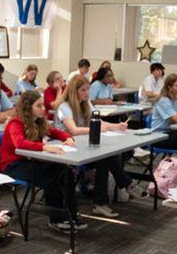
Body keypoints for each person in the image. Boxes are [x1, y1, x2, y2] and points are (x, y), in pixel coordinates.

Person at [0, 91, 81, 232]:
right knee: (50, 178)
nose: (44, 108)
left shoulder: (39, 121)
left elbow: (55, 131)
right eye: (39, 106)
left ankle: (71, 214)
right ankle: (56, 219)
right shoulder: (15, 122)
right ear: (28, 108)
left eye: (43, 105)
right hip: (13, 165)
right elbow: (20, 143)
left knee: (65, 171)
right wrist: (45, 147)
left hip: (31, 161)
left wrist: (67, 138)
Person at [57, 75, 132, 218]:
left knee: (106, 157)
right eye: (83, 90)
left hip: (82, 147)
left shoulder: (86, 104)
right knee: (105, 158)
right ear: (74, 91)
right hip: (66, 150)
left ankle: (102, 202)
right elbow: (73, 130)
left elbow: (99, 122)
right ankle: (125, 184)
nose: (87, 93)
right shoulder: (64, 107)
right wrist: (96, 129)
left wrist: (117, 126)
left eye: (88, 89)